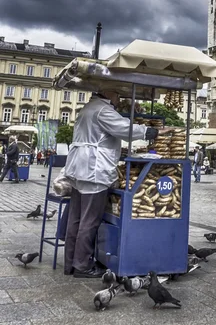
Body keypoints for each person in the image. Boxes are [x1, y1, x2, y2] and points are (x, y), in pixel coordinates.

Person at [64, 90, 162, 279]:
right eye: (117, 94)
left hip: (78, 169)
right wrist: (151, 132)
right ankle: (83, 266)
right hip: (94, 171)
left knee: (75, 219)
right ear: (109, 95)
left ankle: (71, 263)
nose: (119, 98)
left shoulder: (87, 108)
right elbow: (125, 129)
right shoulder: (103, 110)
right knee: (89, 221)